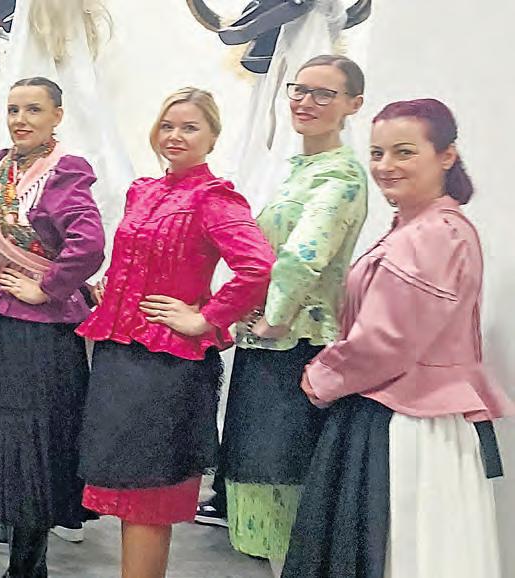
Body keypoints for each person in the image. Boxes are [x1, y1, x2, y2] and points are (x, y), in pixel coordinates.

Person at [283, 98, 511, 578]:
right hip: (404, 415)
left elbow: (386, 342)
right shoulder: (423, 228)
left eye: (404, 152)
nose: (386, 166)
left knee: (405, 552)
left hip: (411, 424)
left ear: (446, 156)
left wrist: (321, 376)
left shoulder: (431, 235)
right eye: (377, 153)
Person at [75, 88, 274, 578]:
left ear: (212, 136)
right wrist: (113, 288)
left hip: (165, 366)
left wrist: (206, 318)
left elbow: (258, 266)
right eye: (167, 125)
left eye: (189, 127)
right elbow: (137, 257)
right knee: (128, 494)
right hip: (120, 360)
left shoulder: (213, 197)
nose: (175, 136)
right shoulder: (142, 190)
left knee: (149, 498)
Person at [217, 55, 369, 574]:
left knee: (281, 480)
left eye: (324, 94)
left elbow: (305, 254)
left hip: (296, 346)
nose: (306, 102)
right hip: (267, 345)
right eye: (299, 90)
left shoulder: (342, 175)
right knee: (257, 477)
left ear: (353, 105)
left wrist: (273, 318)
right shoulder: (297, 170)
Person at [0, 77, 104, 577]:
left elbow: (89, 245)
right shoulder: (1, 165)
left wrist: (48, 287)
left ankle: (27, 566)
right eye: (14, 109)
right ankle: (17, 546)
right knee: (2, 437)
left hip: (41, 334)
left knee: (35, 442)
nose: (21, 120)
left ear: (57, 116)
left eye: (34, 110)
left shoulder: (66, 171)